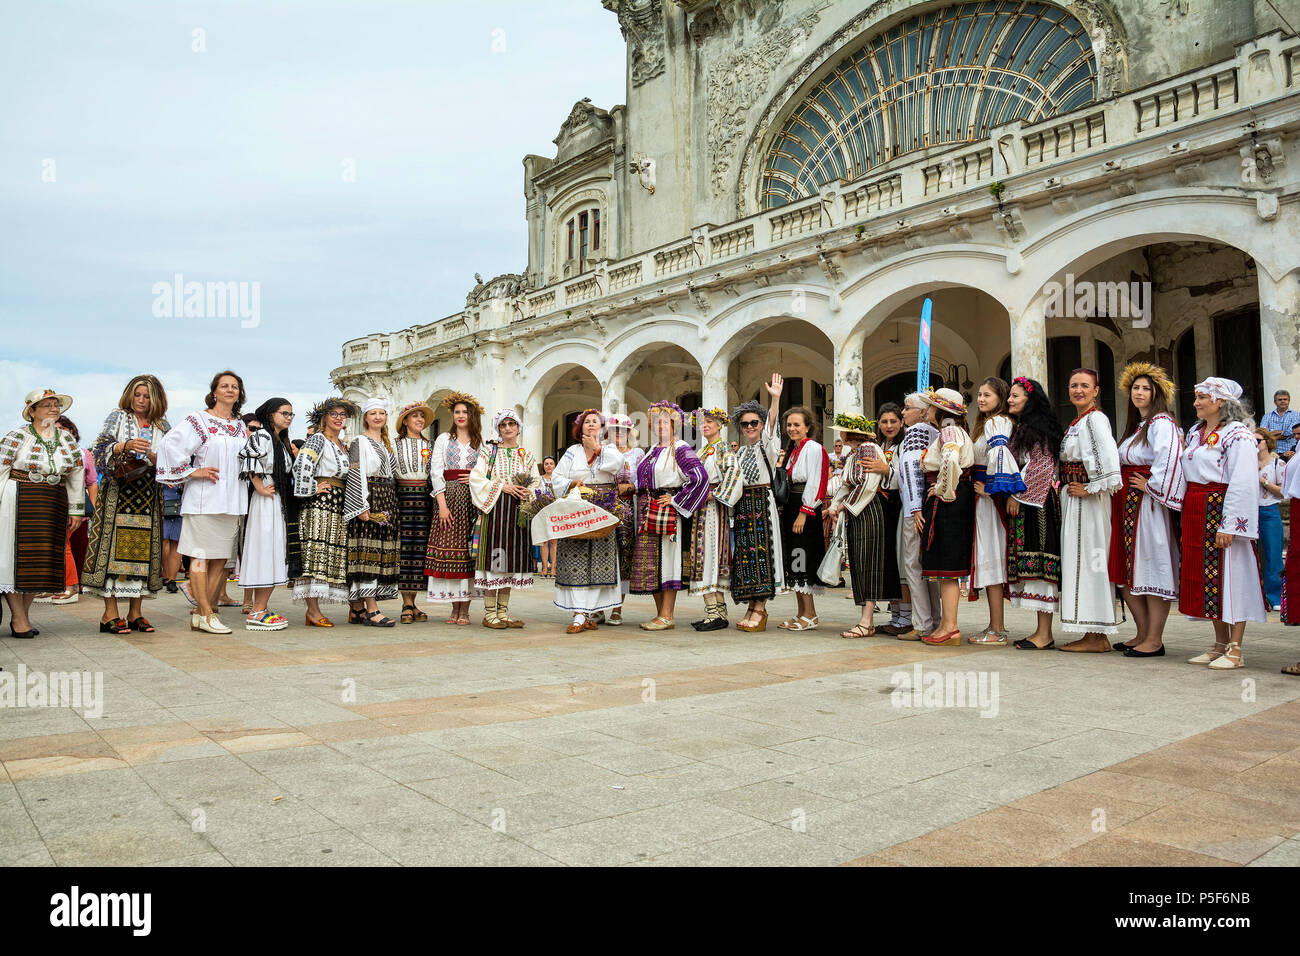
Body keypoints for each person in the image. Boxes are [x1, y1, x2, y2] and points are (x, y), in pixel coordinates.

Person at [155, 371, 249, 635]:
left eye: (235, 386)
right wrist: (191, 471)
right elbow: (168, 445)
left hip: (232, 501)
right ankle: (206, 612)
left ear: (239, 393)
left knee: (221, 560)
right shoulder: (199, 420)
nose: (230, 390)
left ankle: (202, 611)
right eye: (224, 386)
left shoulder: (240, 425)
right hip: (203, 500)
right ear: (214, 391)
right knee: (199, 556)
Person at [1181, 378, 1265, 668]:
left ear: (1220, 401)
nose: (1196, 402)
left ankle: (1236, 647)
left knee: (1232, 575)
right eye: (1196, 397)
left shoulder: (1238, 434)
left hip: (1220, 507)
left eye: (1202, 397)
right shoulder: (1196, 433)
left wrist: (1231, 524)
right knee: (1207, 579)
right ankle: (1218, 643)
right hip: (1197, 508)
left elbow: (1242, 480)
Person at [1106, 364, 1186, 656]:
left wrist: (1151, 485)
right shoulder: (1138, 427)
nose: (1139, 393)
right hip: (1127, 504)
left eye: (1145, 389)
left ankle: (1154, 638)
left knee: (1151, 565)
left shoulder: (1161, 423)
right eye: (1135, 388)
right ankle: (1142, 633)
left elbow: (1170, 459)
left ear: (1157, 393)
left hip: (1148, 505)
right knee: (1128, 571)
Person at [83, 376, 170, 633]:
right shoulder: (118, 416)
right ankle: (109, 614)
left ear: (156, 399)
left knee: (143, 552)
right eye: (138, 395)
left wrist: (156, 456)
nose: (141, 400)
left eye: (147, 396)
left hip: (148, 491)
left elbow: (172, 458)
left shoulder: (162, 424)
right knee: (112, 552)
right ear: (129, 395)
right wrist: (125, 445)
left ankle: (136, 613)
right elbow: (99, 449)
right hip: (119, 489)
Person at [0, 389, 86, 638]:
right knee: (16, 557)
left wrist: (76, 509)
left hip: (53, 499)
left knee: (40, 559)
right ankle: (18, 618)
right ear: (33, 411)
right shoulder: (17, 436)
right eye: (47, 405)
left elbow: (76, 474)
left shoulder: (67, 440)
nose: (53, 409)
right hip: (19, 497)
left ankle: (22, 616)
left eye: (56, 405)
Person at [1057, 368, 1122, 651]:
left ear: (1096, 390)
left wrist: (1090, 488)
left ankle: (1098, 635)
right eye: (1073, 386)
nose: (1078, 390)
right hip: (1076, 499)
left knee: (1091, 561)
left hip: (1090, 503)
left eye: (1085, 386)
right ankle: (1089, 630)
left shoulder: (1095, 419)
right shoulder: (1077, 422)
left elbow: (1108, 461)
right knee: (1079, 561)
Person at [631, 401, 709, 630]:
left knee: (668, 560)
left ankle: (667, 615)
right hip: (647, 509)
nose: (660, 425)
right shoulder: (652, 450)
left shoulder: (681, 448)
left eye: (665, 421)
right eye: (656, 422)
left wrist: (675, 500)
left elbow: (699, 477)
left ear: (675, 424)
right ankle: (660, 614)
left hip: (666, 510)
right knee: (652, 563)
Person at [551, 409, 625, 632]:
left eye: (595, 422)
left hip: (603, 511)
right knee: (577, 561)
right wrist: (573, 484)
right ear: (580, 427)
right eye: (587, 422)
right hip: (577, 510)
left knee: (599, 562)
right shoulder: (573, 452)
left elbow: (616, 465)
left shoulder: (609, 448)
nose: (591, 425)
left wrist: (597, 448)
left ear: (602, 428)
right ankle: (578, 614)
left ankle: (588, 613)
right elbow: (557, 477)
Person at [767, 375, 830, 631]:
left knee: (802, 558)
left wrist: (804, 513)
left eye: (797, 425)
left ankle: (811, 614)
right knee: (795, 560)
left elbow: (817, 482)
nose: (792, 428)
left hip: (805, 509)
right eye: (789, 425)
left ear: (807, 427)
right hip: (791, 507)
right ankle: (801, 612)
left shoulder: (814, 448)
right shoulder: (792, 450)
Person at [1006, 377, 1065, 650]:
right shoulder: (1026, 427)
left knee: (1041, 565)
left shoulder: (1038, 429)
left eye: (1015, 396)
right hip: (1031, 501)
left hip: (1036, 503)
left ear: (1030, 400)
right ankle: (1041, 631)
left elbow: (1041, 467)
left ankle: (1044, 634)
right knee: (1033, 565)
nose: (1010, 400)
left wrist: (1018, 495)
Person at [828, 415, 898, 638]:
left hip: (869, 509)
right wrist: (834, 505)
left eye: (842, 430)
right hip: (858, 510)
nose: (840, 434)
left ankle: (867, 621)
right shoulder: (854, 453)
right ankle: (865, 619)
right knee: (859, 561)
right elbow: (846, 484)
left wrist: (843, 506)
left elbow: (869, 483)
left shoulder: (868, 449)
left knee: (868, 560)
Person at [917, 387, 976, 646]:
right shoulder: (953, 430)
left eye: (930, 406)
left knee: (948, 567)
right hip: (953, 498)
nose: (926, 410)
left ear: (941, 410)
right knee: (945, 567)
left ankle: (950, 626)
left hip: (949, 502)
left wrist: (941, 489)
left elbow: (951, 460)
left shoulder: (949, 431)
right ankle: (946, 624)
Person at [968, 377, 1024, 644]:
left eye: (987, 395)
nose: (981, 399)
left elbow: (1000, 454)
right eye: (979, 394)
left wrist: (992, 489)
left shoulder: (996, 422)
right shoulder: (987, 423)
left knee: (991, 559)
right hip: (985, 499)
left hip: (990, 501)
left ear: (1000, 398)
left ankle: (997, 628)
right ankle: (994, 624)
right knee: (989, 558)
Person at [470, 409, 537, 628]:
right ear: (498, 429)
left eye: (512, 424)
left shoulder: (526, 455)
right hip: (495, 510)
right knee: (494, 561)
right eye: (503, 425)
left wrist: (529, 492)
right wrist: (503, 486)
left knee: (510, 563)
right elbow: (476, 478)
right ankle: (490, 614)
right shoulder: (489, 452)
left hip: (518, 513)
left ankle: (503, 612)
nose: (508, 428)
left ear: (518, 428)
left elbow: (537, 482)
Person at [237, 398, 299, 631]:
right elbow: (247, 456)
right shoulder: (262, 436)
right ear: (270, 414)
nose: (288, 418)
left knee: (273, 550)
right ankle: (257, 610)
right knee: (265, 549)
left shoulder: (280, 440)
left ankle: (260, 607)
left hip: (277, 501)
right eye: (284, 413)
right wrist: (259, 485)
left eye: (291, 414)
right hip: (266, 500)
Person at [293, 398, 356, 625]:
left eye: (342, 414)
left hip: (338, 503)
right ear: (324, 418)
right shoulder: (318, 440)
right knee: (315, 553)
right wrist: (312, 487)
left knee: (332, 553)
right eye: (334, 414)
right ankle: (312, 611)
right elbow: (301, 465)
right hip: (319, 504)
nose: (339, 418)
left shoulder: (342, 444)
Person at [425, 392, 484, 625]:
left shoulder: (480, 441)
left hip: (472, 500)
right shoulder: (443, 439)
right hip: (448, 498)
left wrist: (476, 480)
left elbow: (485, 472)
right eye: (458, 412)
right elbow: (436, 471)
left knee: (469, 553)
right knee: (451, 553)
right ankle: (454, 607)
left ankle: (465, 610)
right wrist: (441, 504)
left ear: (472, 416)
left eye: (465, 412)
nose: (461, 416)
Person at [730, 390, 785, 631]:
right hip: (744, 504)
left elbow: (773, 424)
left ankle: (760, 609)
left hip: (762, 501)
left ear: (761, 424)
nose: (750, 427)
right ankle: (751, 606)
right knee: (746, 556)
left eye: (754, 422)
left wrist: (775, 399)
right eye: (745, 424)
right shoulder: (741, 452)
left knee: (762, 553)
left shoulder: (768, 446)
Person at [344, 399, 400, 626]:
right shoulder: (359, 441)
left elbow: (393, 473)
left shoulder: (386, 444)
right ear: (365, 417)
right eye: (373, 413)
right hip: (369, 497)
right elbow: (356, 473)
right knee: (367, 553)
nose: (377, 417)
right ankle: (372, 608)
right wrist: (361, 505)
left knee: (382, 552)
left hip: (387, 496)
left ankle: (357, 609)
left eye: (381, 413)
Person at [685, 407, 740, 630]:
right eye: (702, 423)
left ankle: (716, 613)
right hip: (701, 510)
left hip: (714, 510)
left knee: (712, 556)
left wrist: (714, 494)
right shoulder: (702, 451)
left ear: (719, 424)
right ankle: (714, 611)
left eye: (709, 421)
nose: (704, 425)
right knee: (704, 557)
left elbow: (734, 475)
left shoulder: (723, 448)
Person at [895, 393, 940, 640]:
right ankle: (934, 620)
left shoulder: (916, 432)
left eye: (907, 408)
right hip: (927, 504)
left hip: (916, 507)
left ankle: (923, 624)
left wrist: (915, 507)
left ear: (922, 411)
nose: (903, 413)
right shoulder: (933, 431)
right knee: (927, 567)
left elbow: (913, 469)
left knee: (914, 565)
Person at [392, 401, 434, 623]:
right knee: (404, 549)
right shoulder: (394, 445)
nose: (419, 420)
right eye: (414, 416)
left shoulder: (431, 444)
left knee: (419, 552)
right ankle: (406, 603)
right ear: (405, 421)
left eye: (421, 417)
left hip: (424, 499)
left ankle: (412, 602)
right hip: (401, 497)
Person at [870, 404, 910, 636]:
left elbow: (906, 475)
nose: (888, 426)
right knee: (889, 565)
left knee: (902, 564)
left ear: (901, 422)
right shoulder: (879, 446)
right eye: (884, 422)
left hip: (899, 506)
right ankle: (894, 617)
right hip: (882, 508)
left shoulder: (905, 445)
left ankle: (906, 617)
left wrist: (886, 470)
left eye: (893, 421)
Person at [607, 413, 644, 625]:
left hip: (627, 508)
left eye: (623, 430)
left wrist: (628, 487)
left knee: (623, 554)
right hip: (604, 506)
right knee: (603, 554)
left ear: (629, 433)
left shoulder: (637, 454)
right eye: (614, 429)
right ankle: (598, 607)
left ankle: (616, 608)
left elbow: (641, 481)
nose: (619, 433)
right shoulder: (602, 452)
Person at [1256, 427, 1285, 612]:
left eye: (1258, 441)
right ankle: (1256, 597)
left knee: (1273, 555)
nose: (1255, 444)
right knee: (1251, 556)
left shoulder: (1277, 464)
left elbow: (1283, 492)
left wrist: (1262, 480)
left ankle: (1275, 596)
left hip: (1269, 510)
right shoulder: (1246, 463)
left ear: (1267, 442)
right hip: (1250, 511)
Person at [1260, 389, 1299, 459]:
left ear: (1289, 401)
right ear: (1275, 402)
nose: (1283, 401)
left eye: (1285, 399)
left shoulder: (1296, 415)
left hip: (1290, 453)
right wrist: (1283, 432)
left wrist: (1270, 434)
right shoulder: (1267, 416)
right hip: (1271, 453)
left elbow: (1290, 432)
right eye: (1280, 399)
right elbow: (1262, 434)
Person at [536, 455, 558, 577]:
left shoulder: (559, 479)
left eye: (551, 463)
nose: (549, 465)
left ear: (555, 466)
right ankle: (544, 568)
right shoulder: (539, 479)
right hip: (543, 512)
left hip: (555, 512)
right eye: (546, 464)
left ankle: (553, 568)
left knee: (554, 541)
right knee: (544, 541)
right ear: (543, 466)